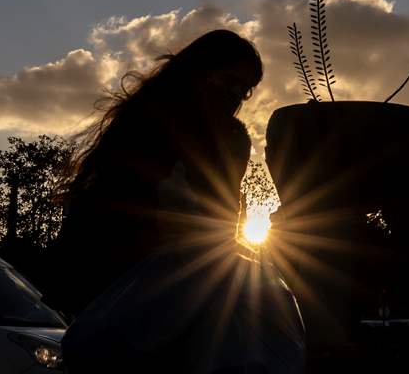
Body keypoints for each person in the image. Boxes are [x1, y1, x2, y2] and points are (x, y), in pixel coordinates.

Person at [46, 30, 305, 373]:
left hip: (177, 283)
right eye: (227, 81)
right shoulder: (148, 127)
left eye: (242, 91)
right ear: (199, 72)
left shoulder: (229, 139)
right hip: (128, 278)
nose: (233, 97)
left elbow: (220, 221)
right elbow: (135, 213)